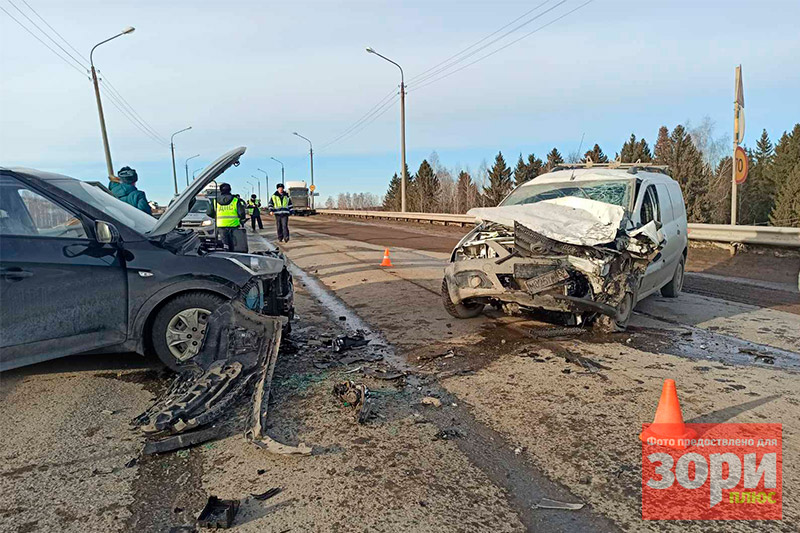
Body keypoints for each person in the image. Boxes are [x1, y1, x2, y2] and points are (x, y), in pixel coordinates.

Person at [206, 182, 247, 250]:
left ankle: (226, 253)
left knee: (225, 244)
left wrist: (216, 217)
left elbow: (209, 212)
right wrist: (242, 219)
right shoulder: (235, 200)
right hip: (234, 225)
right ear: (230, 190)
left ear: (220, 190)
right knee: (234, 244)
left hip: (221, 225)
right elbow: (241, 213)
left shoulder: (215, 201)